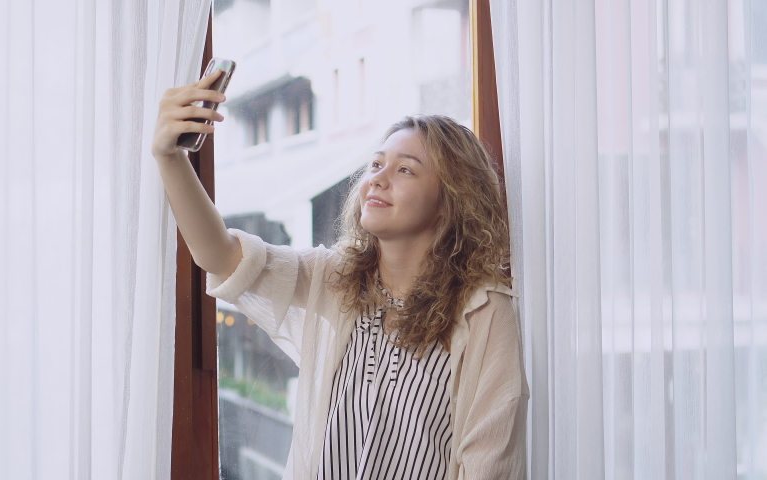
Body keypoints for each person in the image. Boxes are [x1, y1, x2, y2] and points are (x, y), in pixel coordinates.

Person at [153, 70, 529, 480]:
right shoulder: (335, 278)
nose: (378, 180)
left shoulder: (485, 311)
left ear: (450, 202)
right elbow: (222, 257)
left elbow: (488, 466)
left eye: (405, 170)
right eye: (376, 164)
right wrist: (169, 158)